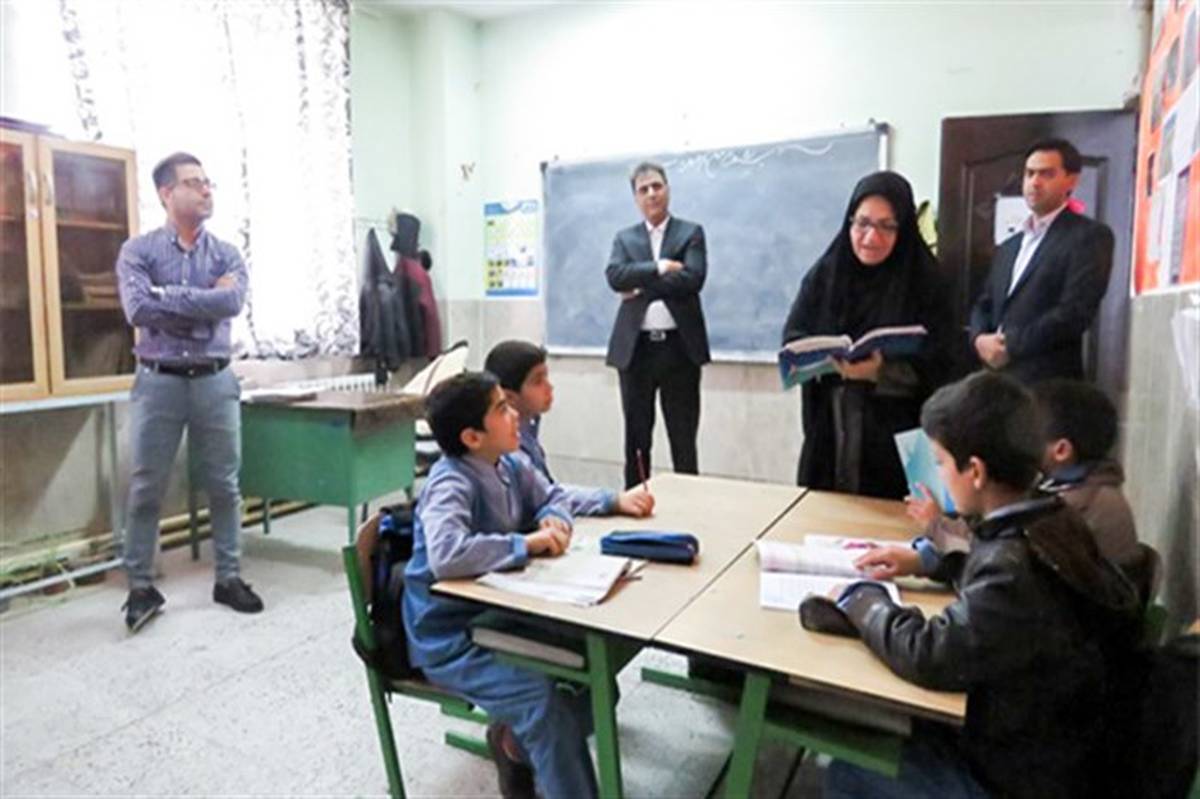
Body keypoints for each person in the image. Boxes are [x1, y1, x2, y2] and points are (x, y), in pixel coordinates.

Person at [817, 372, 1139, 798]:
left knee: (848, 771)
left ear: (975, 471)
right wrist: (931, 561)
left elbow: (928, 653)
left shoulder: (1010, 572)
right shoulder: (1050, 516)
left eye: (940, 462)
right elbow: (995, 568)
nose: (938, 474)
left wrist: (863, 600)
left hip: (1016, 775)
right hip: (1057, 744)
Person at [402, 372, 597, 799]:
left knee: (596, 680)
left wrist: (554, 518)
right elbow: (446, 555)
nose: (515, 416)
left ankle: (514, 746)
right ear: (472, 437)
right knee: (541, 701)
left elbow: (553, 495)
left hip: (500, 613)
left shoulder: (509, 463)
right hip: (450, 636)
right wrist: (525, 544)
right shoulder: (450, 483)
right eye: (502, 409)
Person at [115, 152, 262, 632]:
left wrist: (168, 298)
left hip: (216, 380)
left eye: (207, 182)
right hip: (158, 381)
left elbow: (231, 301)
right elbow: (138, 309)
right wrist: (202, 306)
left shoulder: (227, 254)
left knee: (225, 484)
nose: (206, 190)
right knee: (145, 485)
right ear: (166, 193)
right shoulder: (138, 252)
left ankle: (229, 577)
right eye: (194, 183)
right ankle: (140, 586)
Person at [782, 171, 953, 499]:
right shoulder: (826, 274)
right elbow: (793, 338)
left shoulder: (927, 282)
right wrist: (826, 361)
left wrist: (881, 372)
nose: (871, 237)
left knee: (902, 523)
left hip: (905, 442)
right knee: (825, 520)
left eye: (887, 226)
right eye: (862, 223)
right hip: (833, 434)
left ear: (904, 228)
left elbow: (946, 364)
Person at [906, 377, 1140, 569]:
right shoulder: (1076, 488)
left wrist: (936, 525)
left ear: (1061, 450)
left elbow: (993, 555)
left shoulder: (1070, 507)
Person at [969, 138, 1115, 384]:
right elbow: (985, 303)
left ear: (1071, 180)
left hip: (1048, 385)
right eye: (1030, 173)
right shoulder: (1009, 246)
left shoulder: (1089, 236)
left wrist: (1010, 345)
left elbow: (1074, 312)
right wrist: (979, 339)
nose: (1035, 182)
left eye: (1046, 174)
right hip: (997, 384)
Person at [605, 162, 710, 489]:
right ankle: (635, 500)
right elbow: (615, 276)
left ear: (667, 189)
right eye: (644, 189)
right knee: (637, 439)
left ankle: (689, 503)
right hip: (636, 352)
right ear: (636, 198)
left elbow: (693, 278)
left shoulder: (690, 232)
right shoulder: (625, 238)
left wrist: (641, 288)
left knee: (683, 437)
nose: (652, 194)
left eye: (657, 186)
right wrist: (661, 267)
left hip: (680, 350)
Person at [484, 340, 655, 519]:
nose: (549, 387)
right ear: (508, 397)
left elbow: (548, 493)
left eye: (547, 377)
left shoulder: (530, 426)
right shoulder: (505, 446)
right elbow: (546, 495)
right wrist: (611, 501)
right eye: (538, 381)